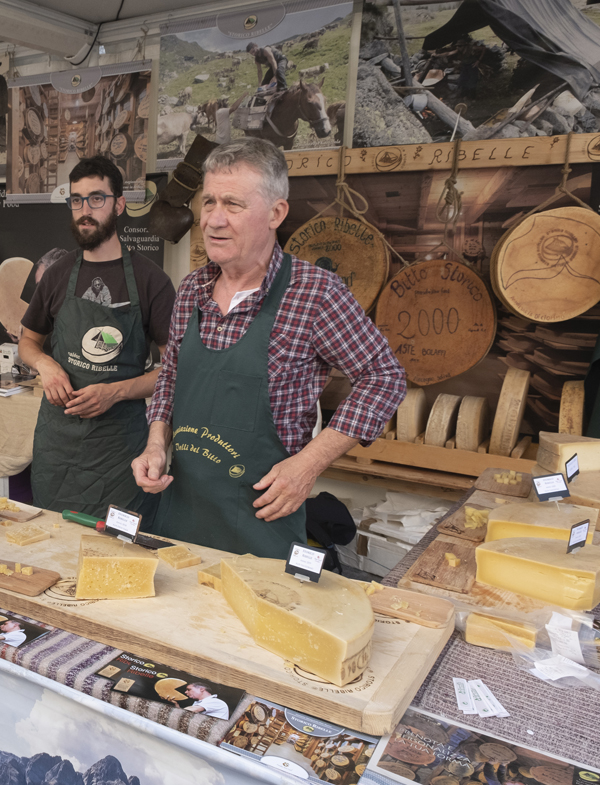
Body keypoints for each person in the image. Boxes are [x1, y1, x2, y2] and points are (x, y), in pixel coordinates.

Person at [131, 139, 404, 558]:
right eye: (208, 203)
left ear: (276, 213)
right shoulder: (190, 290)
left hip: (261, 527)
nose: (213, 220)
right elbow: (170, 377)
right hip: (180, 517)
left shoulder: (315, 293)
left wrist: (309, 465)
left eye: (233, 205)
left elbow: (384, 378)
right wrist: (154, 443)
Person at [20, 156, 175, 522]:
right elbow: (28, 341)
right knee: (51, 543)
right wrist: (45, 364)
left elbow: (174, 371)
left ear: (119, 204)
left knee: (116, 551)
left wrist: (115, 391)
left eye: (96, 198)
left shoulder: (151, 280)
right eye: (76, 200)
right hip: (59, 446)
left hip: (119, 451)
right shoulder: (58, 274)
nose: (84, 210)